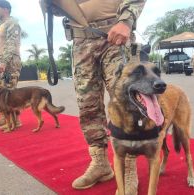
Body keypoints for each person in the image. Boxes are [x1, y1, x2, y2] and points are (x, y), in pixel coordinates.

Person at [41, 0, 146, 193]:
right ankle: (100, 164)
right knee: (87, 105)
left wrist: (126, 20)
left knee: (126, 103)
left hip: (115, 33)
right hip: (81, 40)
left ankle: (128, 168)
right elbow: (59, 9)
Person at [0, 0, 22, 130]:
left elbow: (11, 44)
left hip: (10, 63)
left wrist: (3, 61)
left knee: (10, 93)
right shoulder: (1, 25)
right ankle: (4, 119)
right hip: (2, 63)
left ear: (6, 9)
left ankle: (15, 121)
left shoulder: (12, 23)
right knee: (1, 94)